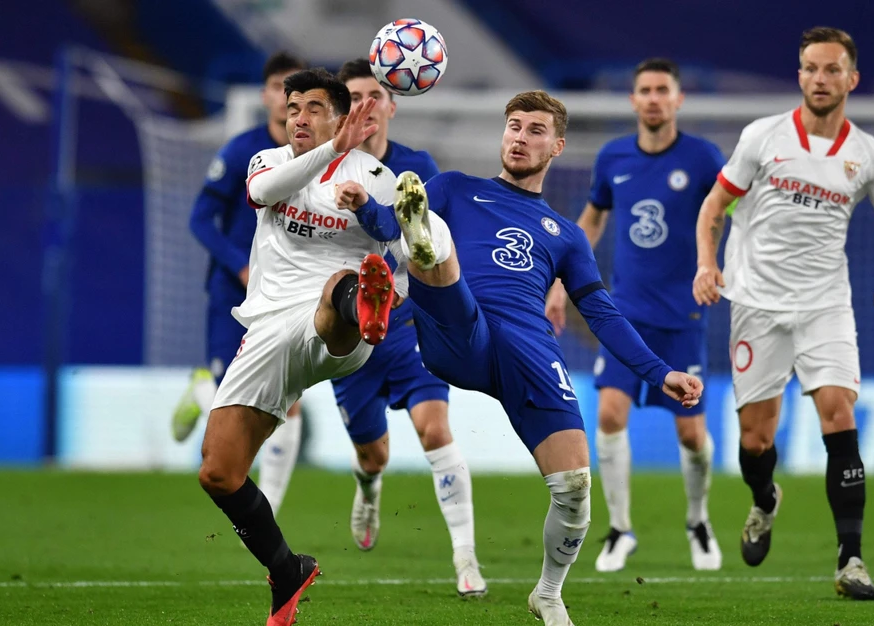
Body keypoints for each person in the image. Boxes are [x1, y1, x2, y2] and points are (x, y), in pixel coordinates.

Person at [335, 90, 703, 626]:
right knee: (430, 243)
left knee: (575, 487)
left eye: (535, 130)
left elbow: (601, 313)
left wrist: (659, 370)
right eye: (513, 126)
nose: (520, 137)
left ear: (556, 145)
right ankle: (428, 241)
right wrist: (367, 207)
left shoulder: (568, 235)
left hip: (528, 349)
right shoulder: (456, 188)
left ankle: (548, 593)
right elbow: (387, 229)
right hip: (457, 329)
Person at [693, 27, 874, 600]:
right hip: (758, 305)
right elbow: (715, 204)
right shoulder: (762, 137)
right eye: (811, 68)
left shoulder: (869, 155)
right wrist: (705, 264)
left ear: (852, 79)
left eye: (832, 69)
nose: (821, 78)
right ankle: (765, 501)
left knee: (839, 418)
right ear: (800, 75)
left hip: (825, 306)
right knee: (756, 437)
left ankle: (852, 560)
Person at [197, 67, 403, 626]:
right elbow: (261, 194)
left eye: (313, 107)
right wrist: (333, 147)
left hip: (339, 327)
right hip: (267, 330)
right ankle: (287, 569)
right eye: (293, 109)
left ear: (340, 114)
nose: (299, 118)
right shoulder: (269, 162)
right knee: (218, 471)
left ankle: (362, 302)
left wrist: (389, 293)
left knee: (339, 285)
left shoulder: (379, 179)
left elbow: (402, 265)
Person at [545, 58, 725, 572]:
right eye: (644, 90)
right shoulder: (613, 157)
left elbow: (724, 212)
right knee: (608, 415)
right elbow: (593, 217)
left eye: (661, 90)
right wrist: (561, 278)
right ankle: (620, 529)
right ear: (633, 100)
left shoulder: (703, 158)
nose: (652, 98)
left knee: (691, 434)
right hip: (625, 316)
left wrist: (712, 264)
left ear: (677, 99)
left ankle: (698, 520)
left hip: (683, 318)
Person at [333, 58, 485, 596]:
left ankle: (466, 559)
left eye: (374, 95)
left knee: (434, 430)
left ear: (394, 103)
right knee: (373, 453)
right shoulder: (321, 169)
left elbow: (436, 240)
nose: (364, 106)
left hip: (406, 323)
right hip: (346, 333)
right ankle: (368, 486)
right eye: (352, 97)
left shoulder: (416, 168)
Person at [172, 52, 305, 519]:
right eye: (277, 86)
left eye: (295, 88)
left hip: (285, 298)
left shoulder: (314, 159)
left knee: (287, 404)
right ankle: (201, 387)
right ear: (266, 95)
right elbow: (200, 219)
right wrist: (239, 265)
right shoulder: (240, 152)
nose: (286, 96)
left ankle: (270, 508)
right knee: (227, 395)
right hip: (235, 293)